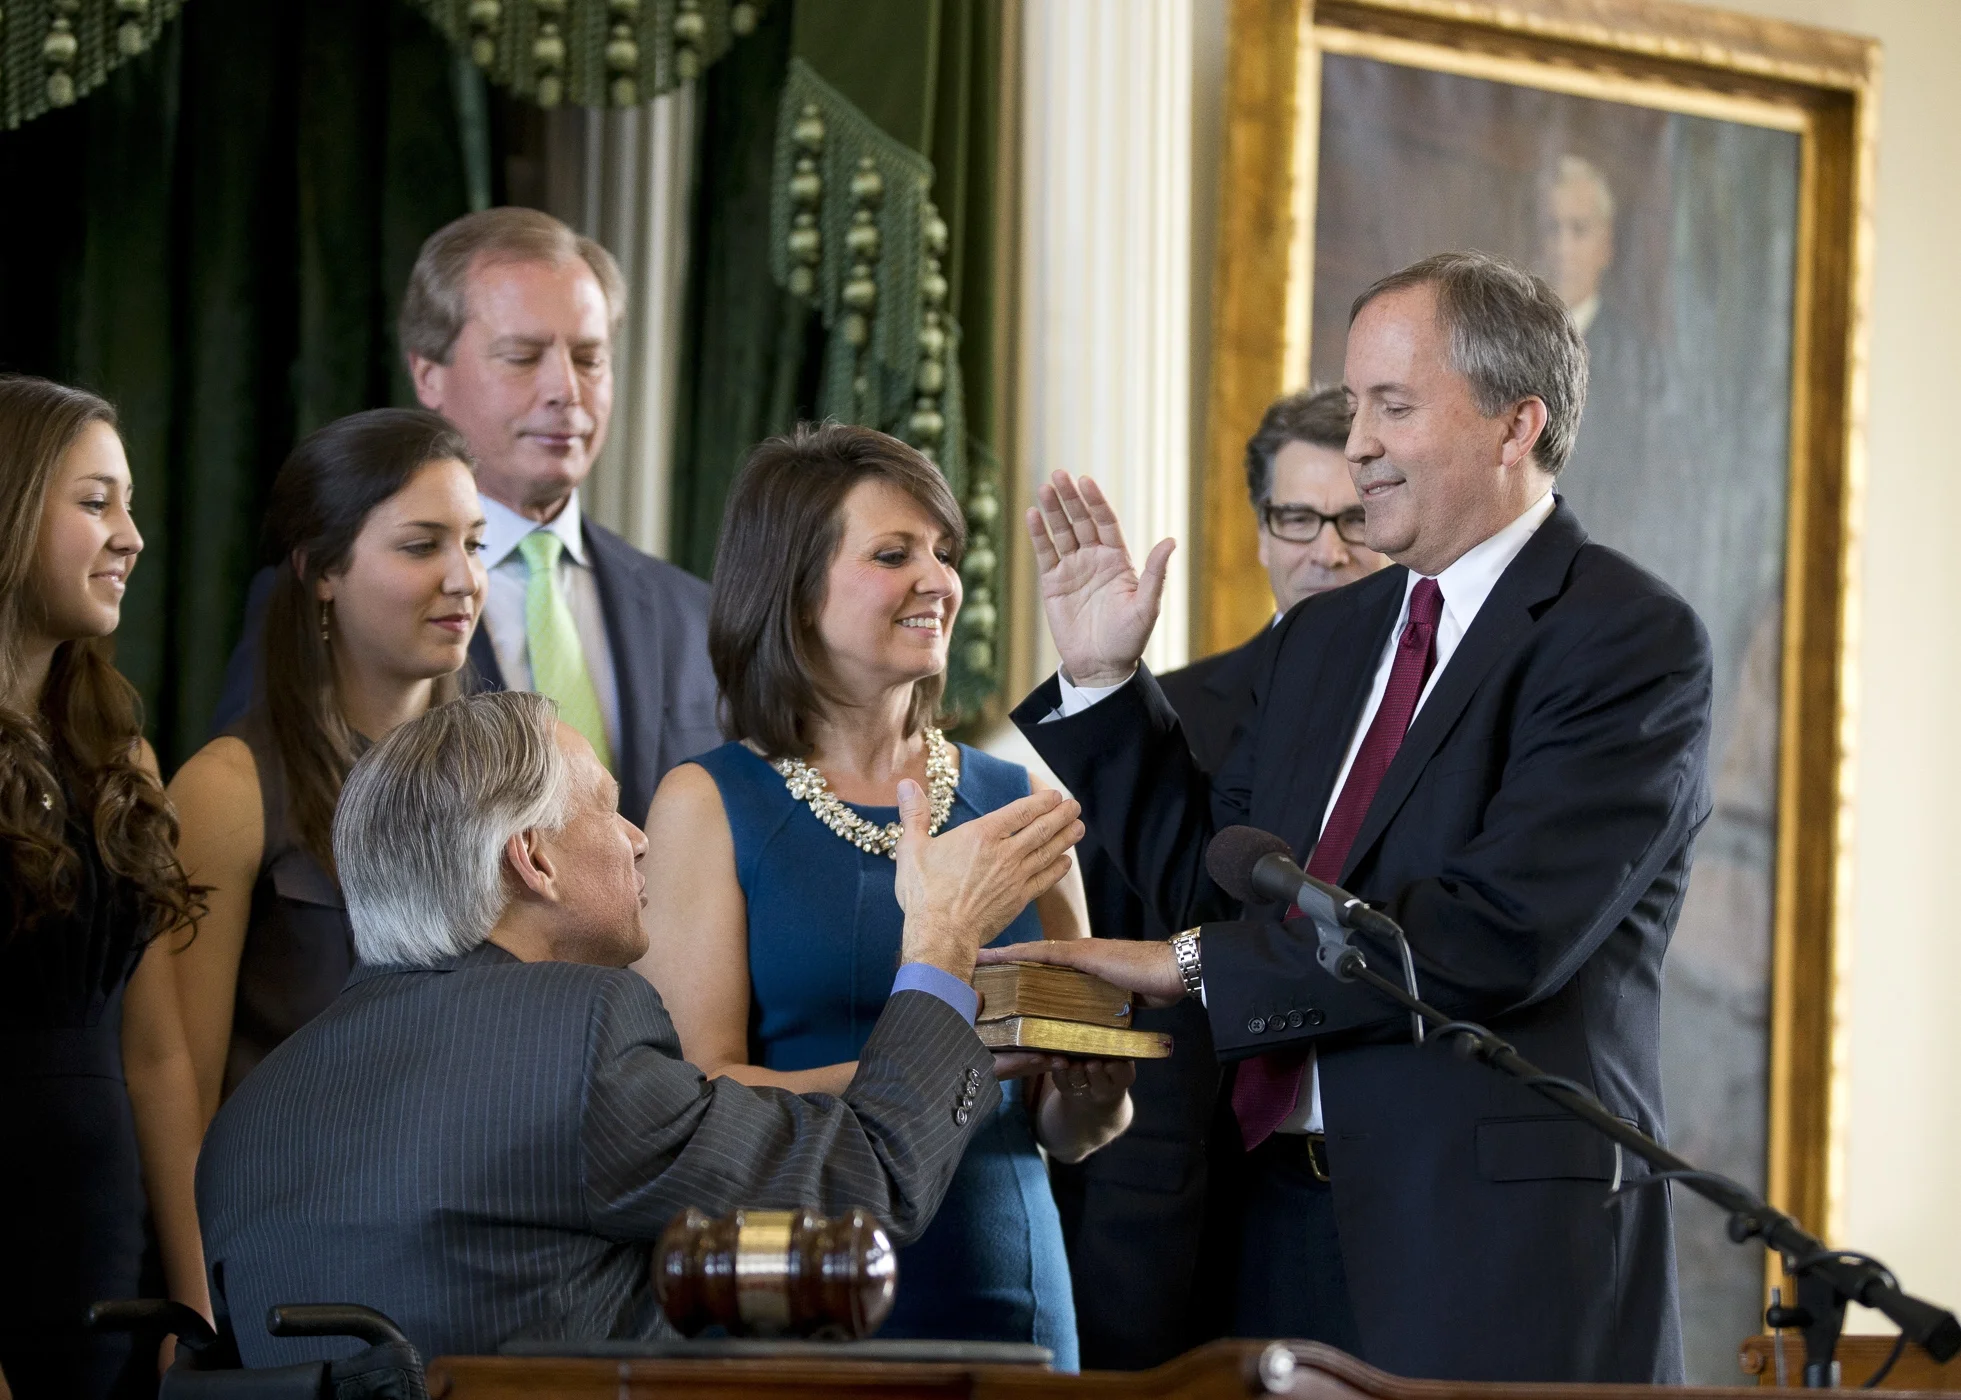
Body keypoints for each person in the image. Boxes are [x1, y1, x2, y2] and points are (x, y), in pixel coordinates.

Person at [994, 252, 1711, 1383]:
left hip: (1484, 1248)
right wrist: (1100, 683)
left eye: (1391, 404)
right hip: (1268, 1226)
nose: (1358, 440)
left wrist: (1189, 964)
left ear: (1512, 424)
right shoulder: (1328, 637)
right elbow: (1220, 877)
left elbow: (1492, 931)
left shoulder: (1624, 638)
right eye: (1352, 404)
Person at [195, 690, 1085, 1364]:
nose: (637, 837)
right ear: (533, 860)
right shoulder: (575, 1031)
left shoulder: (256, 1111)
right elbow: (872, 1177)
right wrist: (941, 939)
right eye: (604, 808)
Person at [634, 424, 1130, 1371]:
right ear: (791, 583)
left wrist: (1090, 1095)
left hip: (1006, 1275)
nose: (937, 579)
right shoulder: (706, 803)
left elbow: (1076, 1131)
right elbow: (700, 1098)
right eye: (893, 554)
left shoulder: (1021, 801)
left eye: (945, 553)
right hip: (796, 1284)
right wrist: (953, 1060)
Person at [1053, 385, 1390, 1368]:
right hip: (1191, 1216)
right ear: (1259, 532)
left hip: (1381, 1203)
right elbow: (1111, 994)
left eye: (1355, 519)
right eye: (1297, 517)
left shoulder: (1442, 709)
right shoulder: (1165, 720)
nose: (1326, 550)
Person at [211, 208, 719, 822]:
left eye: (589, 358)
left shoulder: (692, 612)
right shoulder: (332, 598)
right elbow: (260, 814)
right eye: (523, 356)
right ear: (428, 373)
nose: (566, 389)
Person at [169, 410, 485, 1118]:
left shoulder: (496, 785)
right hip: (278, 1211)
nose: (464, 578)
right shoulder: (228, 788)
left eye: (474, 543)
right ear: (320, 571)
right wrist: (195, 1235)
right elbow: (177, 1082)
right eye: (420, 546)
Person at [0, 377, 209, 1397]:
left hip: (109, 1242)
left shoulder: (122, 752)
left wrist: (195, 1295)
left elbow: (159, 1051)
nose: (130, 535)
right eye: (94, 503)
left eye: (129, 505)